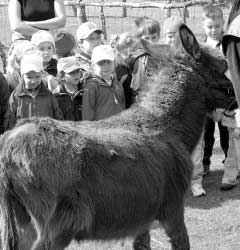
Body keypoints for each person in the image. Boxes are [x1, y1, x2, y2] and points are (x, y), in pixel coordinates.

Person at [201, 5, 229, 176]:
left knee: (226, 131)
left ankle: (229, 162)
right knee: (207, 133)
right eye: (210, 27)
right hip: (207, 99)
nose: (213, 30)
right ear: (203, 26)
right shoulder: (200, 47)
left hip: (226, 98)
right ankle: (205, 163)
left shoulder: (228, 44)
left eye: (217, 26)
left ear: (223, 24)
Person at [4, 53, 63, 130]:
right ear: (22, 76)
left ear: (42, 74)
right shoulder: (16, 96)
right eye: (29, 77)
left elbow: (57, 116)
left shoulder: (48, 95)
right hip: (23, 137)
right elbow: (10, 119)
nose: (33, 81)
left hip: (45, 137)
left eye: (37, 77)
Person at [82, 45, 125, 121]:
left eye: (109, 62)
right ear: (93, 65)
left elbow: (122, 105)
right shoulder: (91, 86)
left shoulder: (117, 83)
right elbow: (87, 113)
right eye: (101, 63)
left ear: (114, 63)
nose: (106, 66)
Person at [129, 17, 161, 93]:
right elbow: (137, 86)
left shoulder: (161, 55)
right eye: (146, 38)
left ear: (159, 37)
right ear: (139, 39)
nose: (150, 42)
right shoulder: (139, 58)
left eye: (154, 37)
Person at [53, 56, 84, 121]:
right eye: (71, 72)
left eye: (77, 71)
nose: (76, 75)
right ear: (62, 75)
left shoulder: (86, 91)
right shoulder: (56, 95)